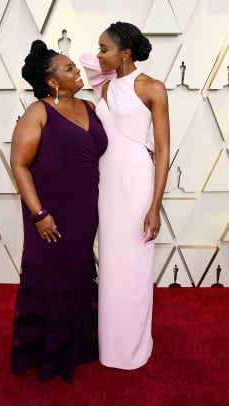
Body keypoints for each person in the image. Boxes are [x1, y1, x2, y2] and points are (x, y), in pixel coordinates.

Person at [10, 39, 108, 383]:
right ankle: (48, 352)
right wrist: (39, 215)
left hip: (85, 211)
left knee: (79, 272)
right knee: (51, 276)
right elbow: (19, 165)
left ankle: (78, 344)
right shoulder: (38, 111)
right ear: (52, 81)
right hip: (49, 211)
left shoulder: (90, 107)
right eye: (69, 68)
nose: (77, 70)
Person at [79, 22, 170, 370]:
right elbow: (88, 61)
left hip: (136, 183)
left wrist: (155, 206)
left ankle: (133, 348)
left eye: (105, 48)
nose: (98, 54)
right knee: (113, 266)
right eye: (99, 48)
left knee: (135, 265)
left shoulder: (153, 88)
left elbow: (162, 150)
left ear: (126, 53)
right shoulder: (104, 84)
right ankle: (112, 346)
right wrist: (106, 59)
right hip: (107, 184)